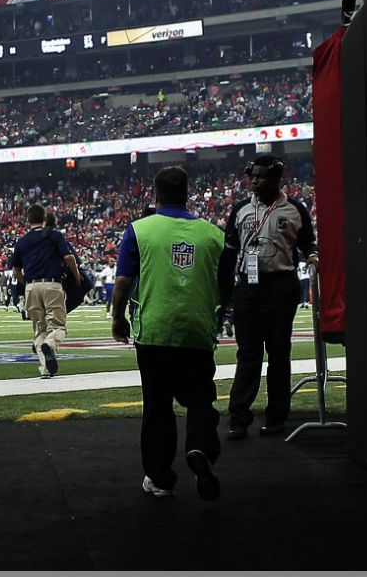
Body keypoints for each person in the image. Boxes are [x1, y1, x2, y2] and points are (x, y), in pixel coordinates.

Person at [111, 166, 233, 501]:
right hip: (196, 330)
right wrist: (218, 312)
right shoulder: (214, 235)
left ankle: (160, 478)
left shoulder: (139, 230)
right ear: (188, 194)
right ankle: (201, 448)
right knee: (199, 399)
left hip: (155, 331)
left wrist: (118, 317)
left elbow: (123, 282)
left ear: (155, 195)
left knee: (158, 407)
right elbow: (226, 286)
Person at [222, 154, 319, 440]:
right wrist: (227, 292)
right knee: (247, 354)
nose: (254, 180)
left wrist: (313, 258)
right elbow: (229, 252)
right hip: (248, 287)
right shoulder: (240, 210)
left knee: (279, 354)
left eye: (261, 176)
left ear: (277, 178)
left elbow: (308, 245)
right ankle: (239, 418)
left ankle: (277, 416)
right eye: (252, 175)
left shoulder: (294, 209)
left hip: (280, 285)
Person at [11, 204, 83, 378]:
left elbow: (16, 270)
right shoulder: (54, 235)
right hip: (51, 284)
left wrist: (27, 283)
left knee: (39, 328)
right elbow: (68, 257)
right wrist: (76, 274)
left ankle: (45, 369)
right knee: (58, 326)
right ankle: (50, 345)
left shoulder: (22, 241)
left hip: (31, 287)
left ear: (28, 220)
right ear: (44, 218)